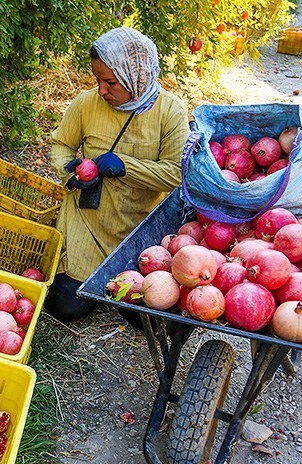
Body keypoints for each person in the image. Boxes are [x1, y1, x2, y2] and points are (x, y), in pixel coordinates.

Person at [45, 26, 190, 327]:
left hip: (138, 226)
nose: (101, 90)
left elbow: (177, 173)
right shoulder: (86, 103)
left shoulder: (170, 112)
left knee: (144, 319)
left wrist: (126, 166)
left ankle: (121, 285)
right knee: (67, 307)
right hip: (88, 221)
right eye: (98, 79)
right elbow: (61, 144)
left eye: (110, 82)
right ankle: (81, 272)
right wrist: (70, 172)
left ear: (135, 77)